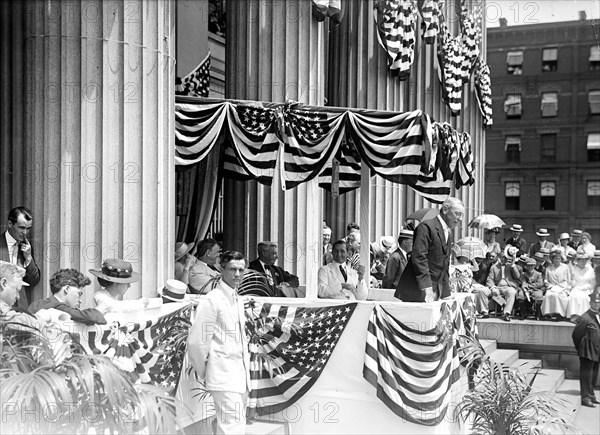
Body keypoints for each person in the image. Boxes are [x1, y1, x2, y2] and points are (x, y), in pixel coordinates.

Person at [187, 251, 250, 434]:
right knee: (233, 428)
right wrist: (206, 371)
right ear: (221, 269)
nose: (237, 274)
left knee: (232, 427)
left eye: (240, 269)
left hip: (239, 376)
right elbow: (197, 342)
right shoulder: (213, 299)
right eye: (232, 269)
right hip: (223, 375)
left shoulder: (236, 299)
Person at [395, 197, 464, 303]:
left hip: (434, 290)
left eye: (462, 215)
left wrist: (446, 293)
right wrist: (427, 287)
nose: (460, 219)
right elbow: (419, 258)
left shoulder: (447, 233)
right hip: (417, 290)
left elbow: (444, 265)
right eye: (458, 213)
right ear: (445, 209)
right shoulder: (426, 227)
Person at [29, 268, 107, 325]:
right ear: (66, 289)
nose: (80, 300)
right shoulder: (58, 306)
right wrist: (98, 311)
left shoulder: (37, 304)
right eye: (79, 294)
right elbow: (87, 317)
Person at [0, 207, 40, 308]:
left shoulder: (27, 247)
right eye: (21, 227)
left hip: (20, 308)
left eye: (28, 228)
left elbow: (33, 280)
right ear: (10, 224)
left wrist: (28, 258)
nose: (25, 233)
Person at [90, 258, 160, 313]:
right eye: (127, 283)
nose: (129, 286)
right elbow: (116, 307)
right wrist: (139, 303)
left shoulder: (109, 297)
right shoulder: (100, 296)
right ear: (117, 283)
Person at [571, 288, 600, 408]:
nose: (597, 304)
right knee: (586, 375)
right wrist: (581, 350)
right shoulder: (585, 318)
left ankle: (592, 394)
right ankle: (586, 397)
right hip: (587, 352)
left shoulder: (598, 316)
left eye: (599, 302)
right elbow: (576, 335)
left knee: (593, 374)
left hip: (597, 351)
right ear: (590, 302)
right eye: (595, 302)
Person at [484, 250, 519, 321]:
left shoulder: (510, 266)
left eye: (505, 257)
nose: (504, 259)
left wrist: (513, 265)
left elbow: (517, 276)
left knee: (512, 292)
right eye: (502, 257)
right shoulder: (494, 267)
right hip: (497, 286)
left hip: (508, 286)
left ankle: (506, 313)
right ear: (499, 257)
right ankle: (487, 311)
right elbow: (490, 279)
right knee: (489, 292)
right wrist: (493, 288)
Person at [540, 249, 572, 320]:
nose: (557, 260)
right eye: (556, 258)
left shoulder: (565, 267)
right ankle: (548, 313)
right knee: (549, 295)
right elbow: (546, 280)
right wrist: (551, 286)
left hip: (563, 287)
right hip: (552, 287)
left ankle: (560, 314)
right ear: (552, 259)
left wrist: (566, 287)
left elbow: (568, 279)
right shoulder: (549, 268)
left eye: (559, 258)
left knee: (559, 296)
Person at [566, 254, 596, 321]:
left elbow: (592, 284)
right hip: (576, 288)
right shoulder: (573, 269)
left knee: (585, 297)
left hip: (586, 288)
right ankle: (574, 315)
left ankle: (584, 317)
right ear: (578, 261)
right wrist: (572, 280)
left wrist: (585, 288)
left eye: (585, 261)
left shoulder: (590, 270)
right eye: (582, 261)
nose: (583, 262)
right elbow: (571, 282)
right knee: (573, 296)